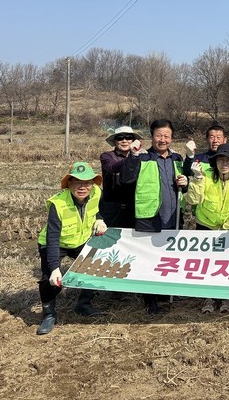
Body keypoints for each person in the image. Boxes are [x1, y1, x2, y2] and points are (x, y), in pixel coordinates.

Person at [121, 118, 187, 314]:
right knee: (150, 258)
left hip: (173, 215)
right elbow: (126, 178)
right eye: (159, 135)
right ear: (152, 137)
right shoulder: (142, 158)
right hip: (150, 216)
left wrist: (186, 183)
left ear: (172, 137)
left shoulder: (177, 159)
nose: (163, 139)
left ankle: (167, 291)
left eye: (167, 136)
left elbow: (183, 184)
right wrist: (132, 155)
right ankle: (150, 299)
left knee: (169, 256)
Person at [36, 162, 107, 335]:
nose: (83, 187)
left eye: (87, 183)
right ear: (69, 184)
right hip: (54, 243)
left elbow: (99, 210)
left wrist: (100, 219)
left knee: (94, 267)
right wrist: (54, 268)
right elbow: (52, 238)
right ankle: (49, 314)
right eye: (77, 182)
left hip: (80, 241)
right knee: (50, 280)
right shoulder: (58, 204)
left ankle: (84, 304)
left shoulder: (97, 193)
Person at [186, 142, 229, 313]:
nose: (225, 164)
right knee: (206, 263)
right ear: (215, 161)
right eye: (221, 160)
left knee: (227, 264)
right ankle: (208, 297)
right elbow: (192, 200)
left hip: (228, 229)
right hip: (205, 226)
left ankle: (226, 297)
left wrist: (227, 229)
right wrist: (197, 179)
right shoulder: (204, 174)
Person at [99, 125, 140, 228]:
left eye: (128, 137)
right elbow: (112, 167)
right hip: (112, 207)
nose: (124, 141)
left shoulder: (141, 156)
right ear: (115, 141)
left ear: (133, 140)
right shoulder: (106, 156)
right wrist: (132, 157)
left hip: (134, 206)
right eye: (120, 138)